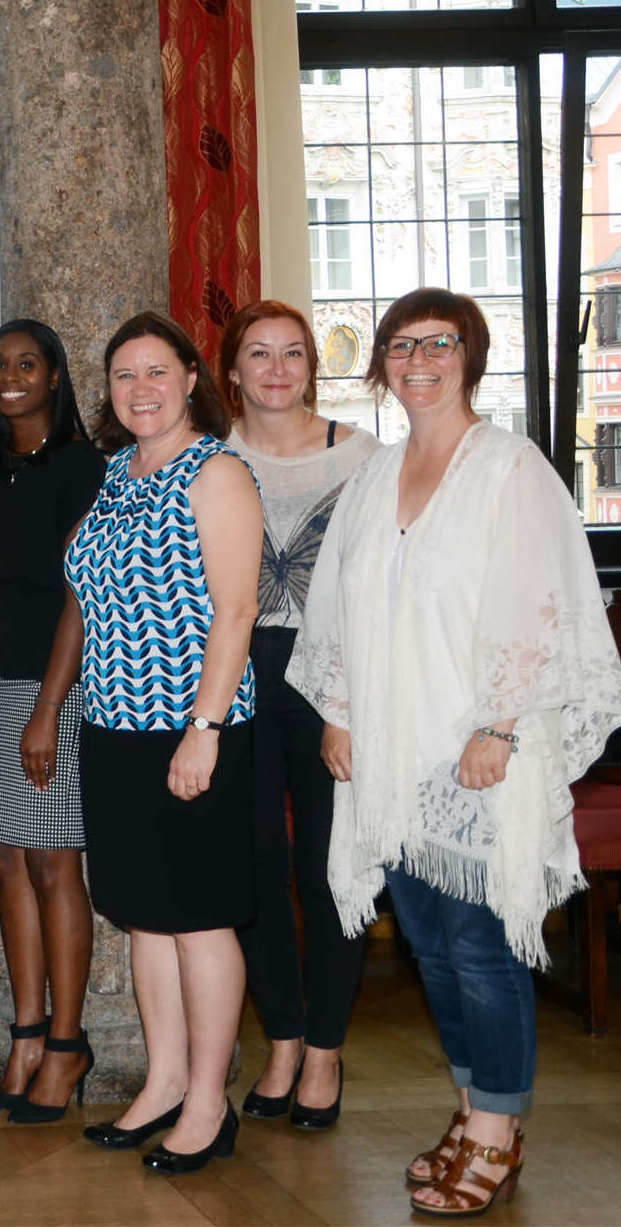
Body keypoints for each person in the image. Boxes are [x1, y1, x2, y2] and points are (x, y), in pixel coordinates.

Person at [290, 291, 621, 1217]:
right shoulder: (377, 472)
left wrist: (503, 722)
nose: (418, 359)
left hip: (476, 747)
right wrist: (340, 709)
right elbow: (342, 602)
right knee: (431, 946)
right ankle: (475, 1103)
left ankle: (498, 1132)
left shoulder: (509, 467)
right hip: (394, 750)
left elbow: (540, 598)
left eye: (438, 343)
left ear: (469, 355)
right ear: (382, 365)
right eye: (401, 345)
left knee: (481, 946)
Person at [67, 312, 261, 1174]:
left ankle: (211, 1101)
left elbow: (236, 609)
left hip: (192, 729)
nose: (139, 389)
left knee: (200, 917)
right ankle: (165, 1081)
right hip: (113, 730)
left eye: (156, 372)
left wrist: (204, 730)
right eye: (122, 376)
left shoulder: (213, 471)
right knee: (147, 915)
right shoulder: (114, 473)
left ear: (191, 378)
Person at [218, 302, 379, 1129]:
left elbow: (380, 586)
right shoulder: (211, 458)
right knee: (254, 865)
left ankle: (325, 1049)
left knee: (326, 868)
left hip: (333, 679)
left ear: (312, 366)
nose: (276, 369)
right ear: (233, 371)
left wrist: (350, 698)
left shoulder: (363, 457)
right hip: (236, 676)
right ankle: (281, 1038)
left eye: (292, 354)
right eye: (259, 354)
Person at [0, 321, 105, 1123]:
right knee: (5, 864)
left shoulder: (83, 468)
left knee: (54, 866)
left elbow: (83, 593)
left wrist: (49, 708)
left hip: (57, 688)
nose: (10, 377)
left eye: (26, 364)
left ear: (54, 376)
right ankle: (23, 1032)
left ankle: (67, 1043)